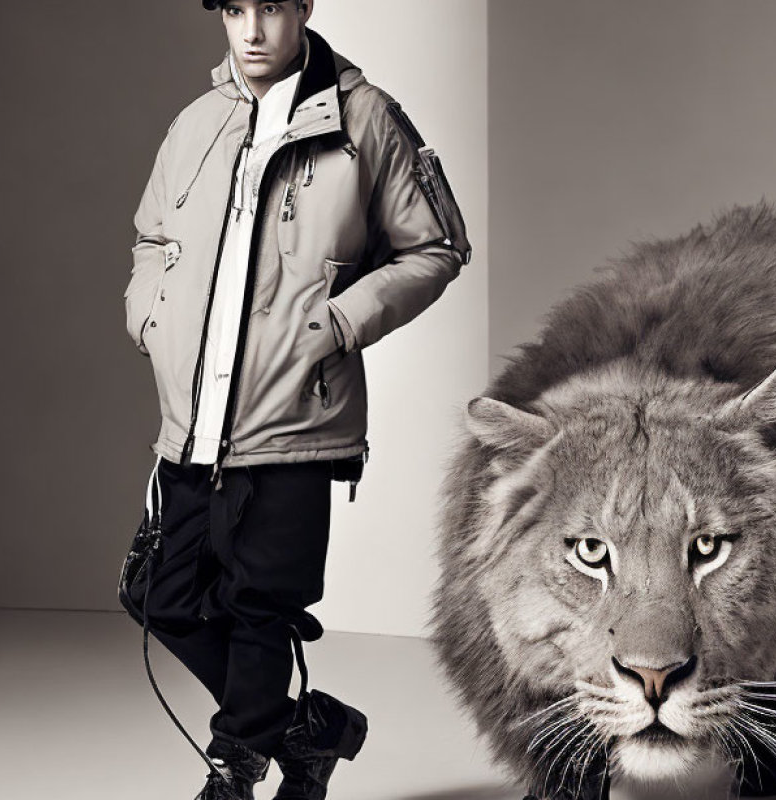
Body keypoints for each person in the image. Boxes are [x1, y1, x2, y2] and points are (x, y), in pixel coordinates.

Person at [119, 1, 470, 798]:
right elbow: (151, 238)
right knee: (159, 596)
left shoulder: (365, 119)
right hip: (193, 429)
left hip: (296, 425)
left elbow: (440, 246)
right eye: (235, 9)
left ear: (304, 8)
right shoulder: (198, 123)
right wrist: (151, 315)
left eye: (270, 8)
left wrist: (342, 320)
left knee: (259, 609)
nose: (251, 31)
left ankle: (234, 769)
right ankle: (308, 732)